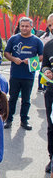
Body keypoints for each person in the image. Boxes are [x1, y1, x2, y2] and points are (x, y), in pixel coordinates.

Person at [4, 17, 43, 131]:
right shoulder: (13, 39)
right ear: (19, 26)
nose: (24, 28)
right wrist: (13, 58)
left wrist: (31, 61)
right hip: (15, 75)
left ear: (31, 27)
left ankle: (24, 120)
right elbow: (6, 53)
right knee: (12, 99)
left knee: (26, 100)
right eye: (22, 26)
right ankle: (9, 119)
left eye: (27, 26)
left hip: (29, 76)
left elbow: (41, 56)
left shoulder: (37, 41)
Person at [41, 13, 53, 173]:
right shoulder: (49, 45)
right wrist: (47, 71)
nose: (52, 28)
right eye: (50, 26)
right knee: (51, 128)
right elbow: (43, 65)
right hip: (51, 92)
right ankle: (52, 158)